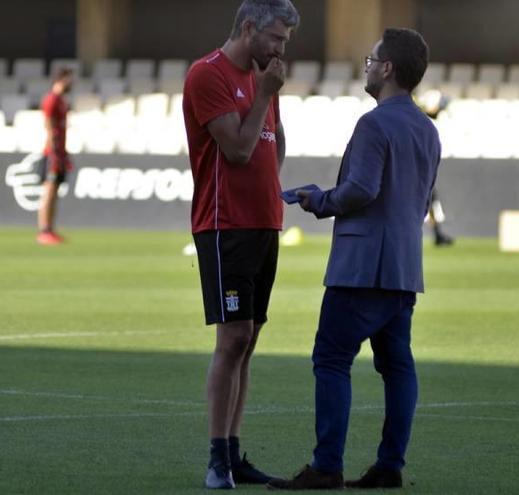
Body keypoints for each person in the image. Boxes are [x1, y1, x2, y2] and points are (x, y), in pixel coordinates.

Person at [267, 28, 441, 490]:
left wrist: (318, 199)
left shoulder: (374, 123)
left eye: (372, 58)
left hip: (362, 266)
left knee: (331, 358)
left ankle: (327, 466)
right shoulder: (428, 129)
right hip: (404, 269)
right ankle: (390, 466)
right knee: (397, 366)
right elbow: (420, 202)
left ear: (387, 68)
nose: (367, 64)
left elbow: (362, 190)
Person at [181, 0, 299, 489]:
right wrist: (266, 95)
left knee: (247, 342)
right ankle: (215, 460)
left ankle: (232, 452)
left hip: (263, 222)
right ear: (248, 27)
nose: (279, 50)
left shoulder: (261, 77)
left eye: (284, 43)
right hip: (224, 223)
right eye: (275, 38)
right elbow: (239, 148)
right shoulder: (207, 74)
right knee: (231, 339)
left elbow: (276, 143)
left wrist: (267, 96)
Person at [36, 68, 73, 245]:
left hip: (60, 152)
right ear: (61, 80)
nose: (72, 83)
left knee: (55, 191)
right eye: (69, 80)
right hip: (52, 153)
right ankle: (43, 230)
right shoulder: (51, 100)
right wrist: (54, 152)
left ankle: (50, 228)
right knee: (49, 191)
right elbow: (48, 126)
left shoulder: (61, 101)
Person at [418, 90, 454, 247]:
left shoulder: (425, 121)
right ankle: (437, 234)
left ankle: (438, 234)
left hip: (420, 171)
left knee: (430, 199)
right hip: (416, 171)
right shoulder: (422, 121)